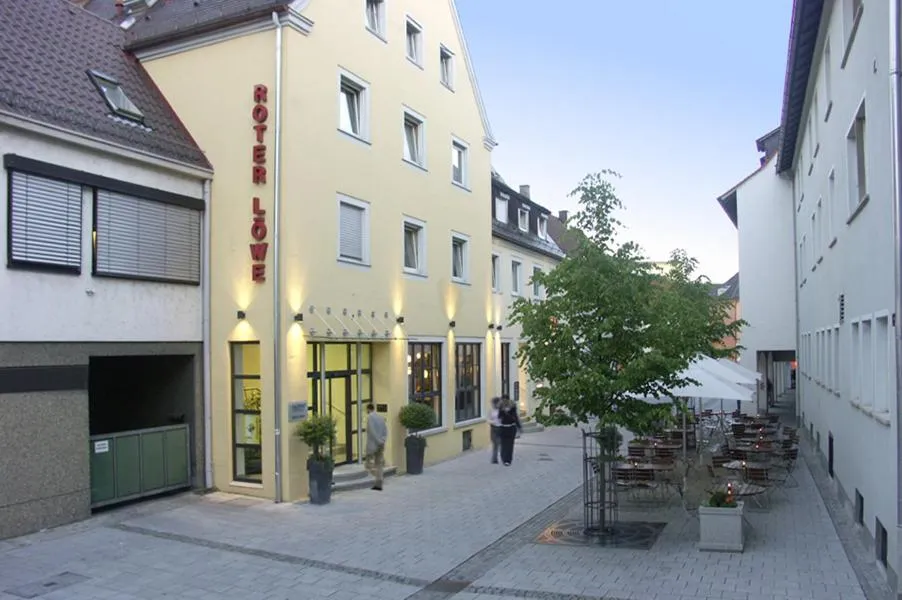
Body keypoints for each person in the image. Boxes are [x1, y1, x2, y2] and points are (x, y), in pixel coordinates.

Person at [365, 403, 387, 490]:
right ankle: (379, 482)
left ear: (368, 409)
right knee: (379, 464)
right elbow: (385, 431)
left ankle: (374, 475)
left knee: (368, 463)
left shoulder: (370, 417)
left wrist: (378, 441)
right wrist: (382, 440)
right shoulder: (381, 417)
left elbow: (371, 430)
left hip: (373, 444)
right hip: (381, 444)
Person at [497, 395, 522, 466]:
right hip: (503, 428)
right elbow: (499, 417)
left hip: (511, 428)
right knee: (503, 444)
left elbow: (515, 417)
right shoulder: (500, 407)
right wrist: (502, 411)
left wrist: (519, 426)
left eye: (505, 400)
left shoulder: (513, 407)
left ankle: (508, 460)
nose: (504, 402)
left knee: (510, 445)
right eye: (503, 400)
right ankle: (504, 457)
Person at [489, 397, 502, 464]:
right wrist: (492, 422)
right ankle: (494, 459)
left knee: (499, 443)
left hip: (500, 428)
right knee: (495, 444)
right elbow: (489, 419)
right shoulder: (491, 411)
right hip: (493, 428)